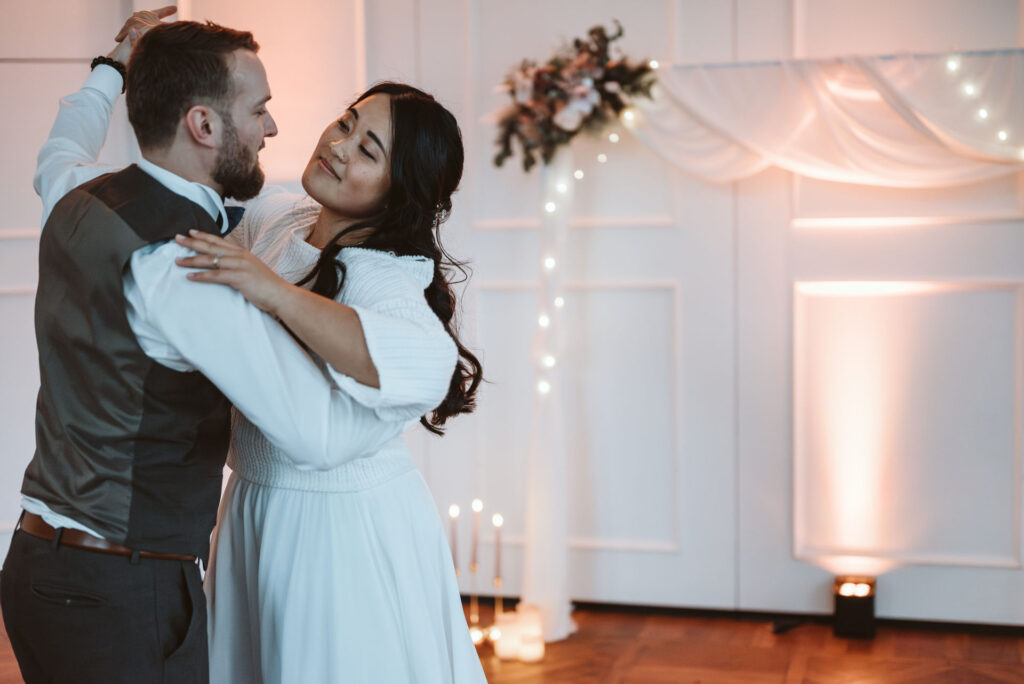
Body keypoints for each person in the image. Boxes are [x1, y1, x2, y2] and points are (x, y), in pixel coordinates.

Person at [0, 10, 409, 683]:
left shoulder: (77, 196)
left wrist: (113, 67)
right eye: (259, 110)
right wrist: (402, 391)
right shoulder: (189, 269)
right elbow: (311, 434)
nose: (273, 128)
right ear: (204, 125)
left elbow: (59, 149)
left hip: (37, 569)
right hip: (124, 593)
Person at [175, 81, 487, 683]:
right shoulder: (282, 220)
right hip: (252, 503)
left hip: (337, 529)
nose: (339, 146)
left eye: (369, 151)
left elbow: (427, 362)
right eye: (346, 124)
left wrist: (271, 291)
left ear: (401, 193)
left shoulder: (387, 274)